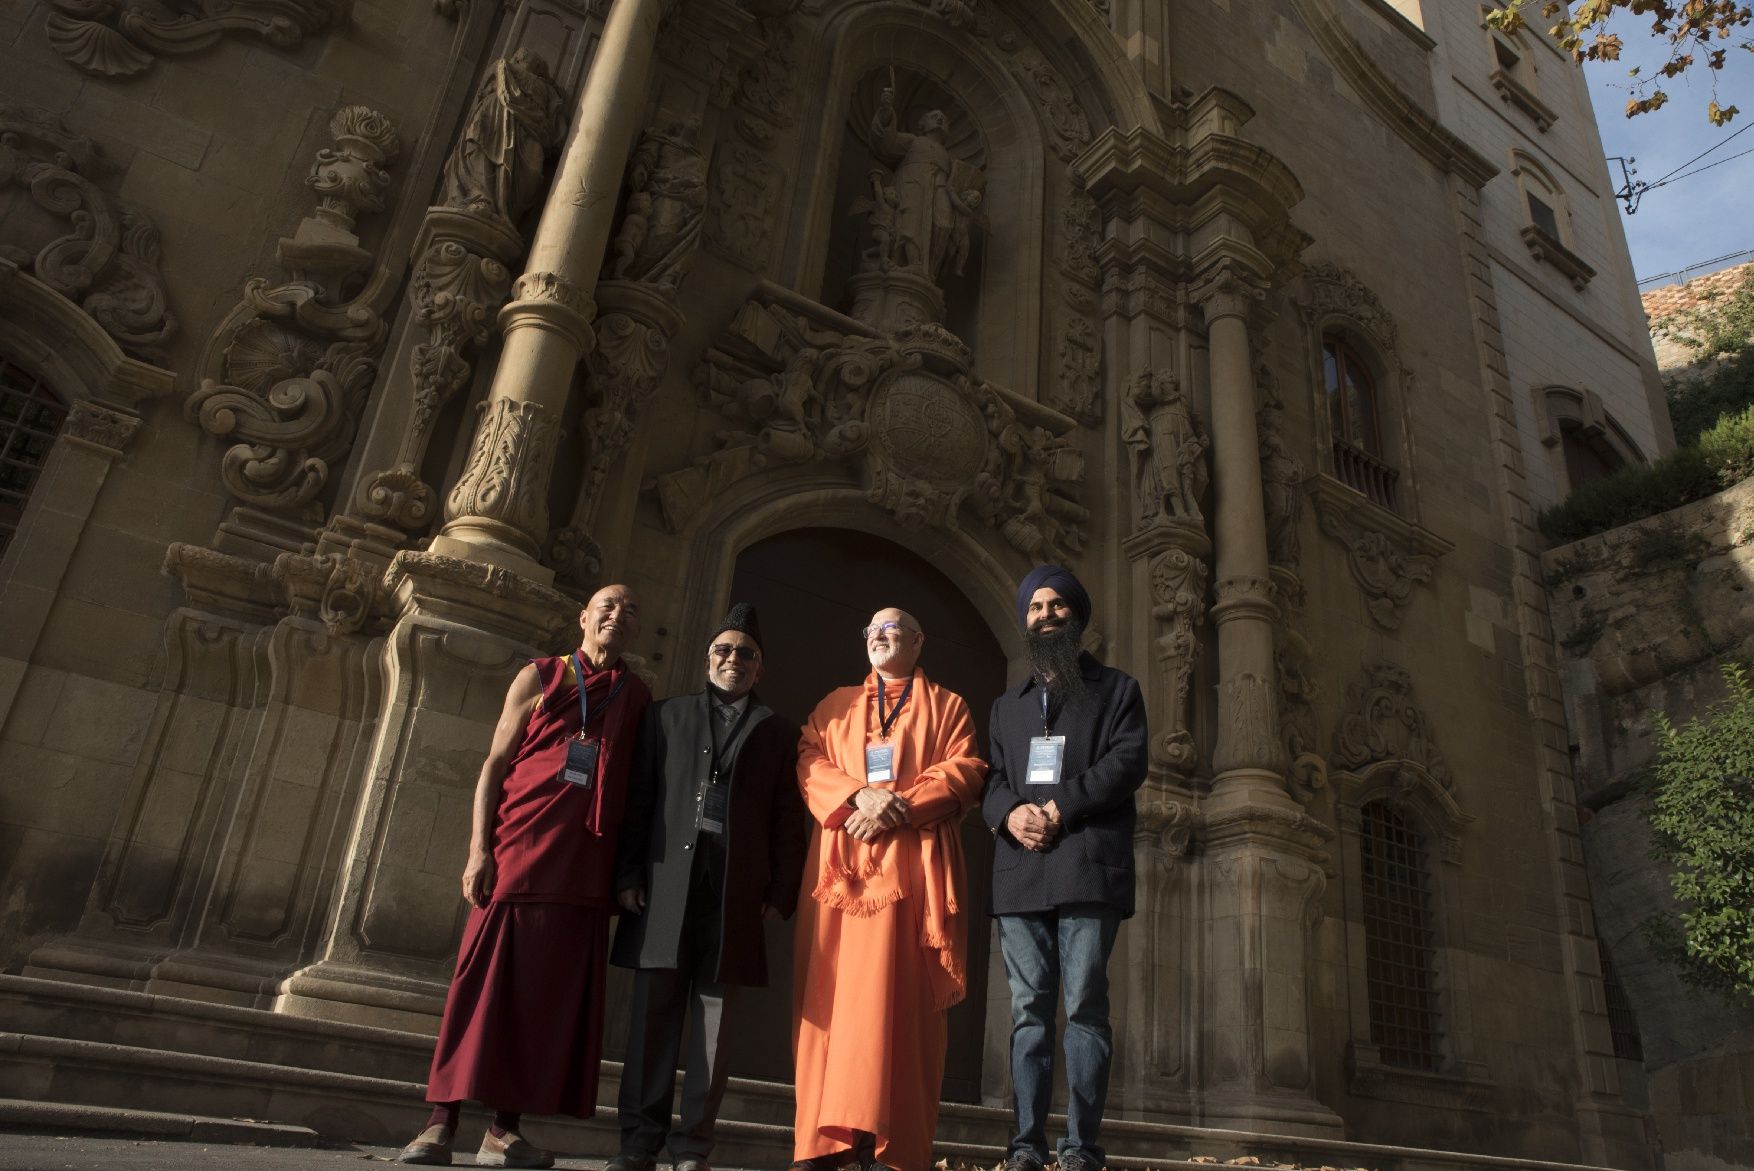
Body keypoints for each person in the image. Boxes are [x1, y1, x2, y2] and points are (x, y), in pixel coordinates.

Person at [398, 585, 652, 1170]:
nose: (618, 615)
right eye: (607, 605)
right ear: (583, 617)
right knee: (481, 983)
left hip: (585, 864)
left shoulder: (635, 694)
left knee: (546, 996)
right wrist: (476, 850)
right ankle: (440, 1122)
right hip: (520, 849)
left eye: (631, 609)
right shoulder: (542, 676)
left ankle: (502, 1131)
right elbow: (495, 762)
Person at [608, 603, 808, 1171]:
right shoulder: (666, 716)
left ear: (759, 668)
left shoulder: (778, 732)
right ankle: (637, 1144)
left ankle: (693, 1146)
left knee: (713, 1030)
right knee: (652, 1022)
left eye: (746, 654)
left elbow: (786, 822)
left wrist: (781, 890)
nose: (734, 660)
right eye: (724, 650)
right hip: (663, 889)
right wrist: (627, 875)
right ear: (707, 659)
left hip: (734, 897)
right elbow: (639, 800)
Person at [789, 608, 987, 1171]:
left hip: (911, 870)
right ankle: (822, 1145)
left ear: (919, 641)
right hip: (840, 873)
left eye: (893, 628)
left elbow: (966, 769)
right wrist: (859, 796)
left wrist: (897, 806)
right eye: (872, 629)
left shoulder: (949, 707)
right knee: (829, 994)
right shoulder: (835, 705)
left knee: (899, 1004)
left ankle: (893, 1146)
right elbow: (809, 759)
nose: (880, 635)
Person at [981, 566, 1148, 1171]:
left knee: (1083, 1007)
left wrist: (1060, 805)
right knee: (1029, 1012)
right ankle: (1025, 1145)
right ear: (1026, 620)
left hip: (1087, 865)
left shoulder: (1118, 691)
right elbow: (992, 780)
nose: (1045, 616)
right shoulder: (1007, 707)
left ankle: (1081, 1148)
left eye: (1057, 607)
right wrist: (1009, 815)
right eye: (1035, 608)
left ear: (1077, 619)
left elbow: (1127, 762)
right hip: (1021, 872)